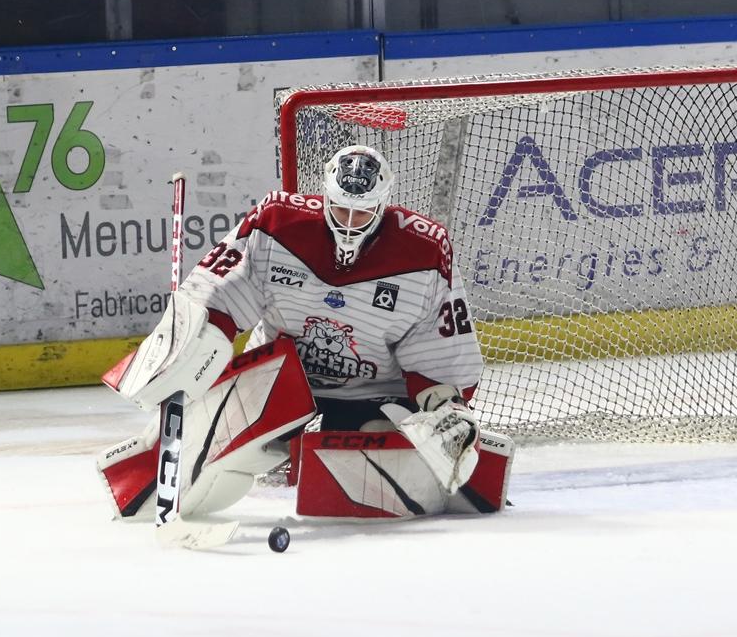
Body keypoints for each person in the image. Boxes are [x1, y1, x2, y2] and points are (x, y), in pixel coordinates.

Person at [97, 145, 511, 521]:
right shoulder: (277, 224)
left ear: (383, 206)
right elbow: (219, 298)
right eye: (341, 209)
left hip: (372, 393)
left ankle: (448, 479)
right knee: (213, 430)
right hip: (283, 375)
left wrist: (445, 409)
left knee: (366, 474)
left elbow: (435, 356)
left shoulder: (424, 251)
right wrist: (186, 341)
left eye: (362, 212)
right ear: (325, 197)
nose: (349, 223)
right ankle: (143, 490)